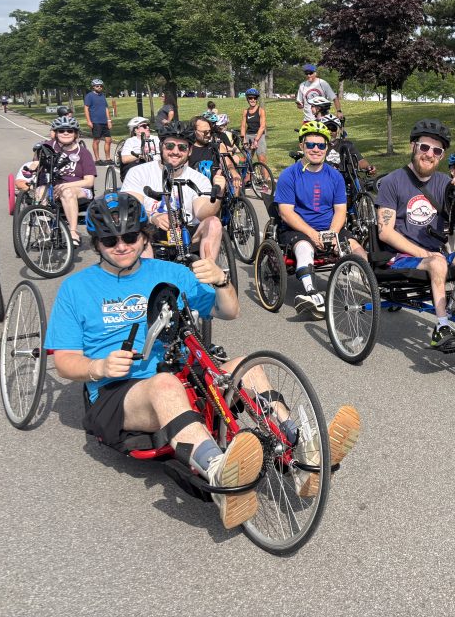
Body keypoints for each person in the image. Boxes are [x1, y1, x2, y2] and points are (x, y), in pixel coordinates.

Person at [45, 192, 361, 528]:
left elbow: (230, 311)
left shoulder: (171, 272)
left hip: (183, 371)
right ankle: (220, 475)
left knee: (246, 366)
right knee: (164, 385)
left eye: (130, 237)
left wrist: (221, 279)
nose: (121, 246)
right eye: (110, 240)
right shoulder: (76, 288)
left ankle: (300, 448)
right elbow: (65, 362)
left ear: (144, 235)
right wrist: (98, 367)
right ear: (97, 243)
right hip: (119, 390)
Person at [376, 119, 455, 351]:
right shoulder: (393, 181)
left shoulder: (445, 183)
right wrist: (425, 253)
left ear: (442, 157)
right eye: (424, 147)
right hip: (402, 257)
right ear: (413, 146)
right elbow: (384, 232)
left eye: (437, 150)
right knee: (437, 261)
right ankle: (441, 327)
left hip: (437, 255)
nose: (429, 154)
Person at [274, 122, 367, 317]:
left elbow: (340, 210)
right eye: (310, 145)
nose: (316, 149)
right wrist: (312, 234)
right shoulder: (288, 175)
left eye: (321, 145)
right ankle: (312, 294)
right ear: (302, 146)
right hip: (297, 228)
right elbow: (286, 213)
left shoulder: (335, 176)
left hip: (330, 227)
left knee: (356, 248)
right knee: (304, 248)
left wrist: (332, 234)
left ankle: (369, 287)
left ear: (326, 147)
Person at [121, 120, 226, 261]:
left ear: (190, 151)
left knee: (214, 223)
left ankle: (208, 273)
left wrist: (218, 195)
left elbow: (202, 213)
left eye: (182, 147)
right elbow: (130, 207)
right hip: (151, 232)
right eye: (170, 146)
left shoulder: (199, 179)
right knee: (137, 231)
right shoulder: (139, 172)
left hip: (187, 233)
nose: (175, 152)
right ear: (161, 147)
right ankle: (149, 278)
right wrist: (153, 217)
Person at [42, 115, 97, 247]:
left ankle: (73, 232)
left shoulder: (83, 153)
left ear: (76, 134)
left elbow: (89, 181)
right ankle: (45, 232)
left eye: (70, 130)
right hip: (53, 188)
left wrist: (66, 185)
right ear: (55, 133)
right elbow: (37, 165)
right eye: (61, 130)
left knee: (67, 192)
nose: (65, 133)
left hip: (80, 190)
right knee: (40, 192)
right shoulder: (48, 148)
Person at [83, 78, 114, 165]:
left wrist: (109, 120)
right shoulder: (89, 96)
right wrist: (89, 121)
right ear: (93, 87)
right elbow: (86, 108)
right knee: (97, 140)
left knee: (108, 140)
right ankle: (97, 159)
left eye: (101, 86)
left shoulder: (102, 96)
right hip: (95, 121)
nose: (99, 87)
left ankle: (108, 158)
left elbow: (106, 108)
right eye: (97, 86)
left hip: (104, 121)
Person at [240, 88, 267, 165]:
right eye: (250, 98)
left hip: (259, 136)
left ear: (257, 99)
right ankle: (245, 176)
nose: (253, 100)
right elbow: (243, 126)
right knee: (246, 159)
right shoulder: (245, 111)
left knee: (262, 160)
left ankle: (265, 177)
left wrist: (256, 140)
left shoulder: (261, 111)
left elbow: (262, 127)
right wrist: (243, 139)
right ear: (247, 99)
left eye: (255, 98)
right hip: (249, 136)